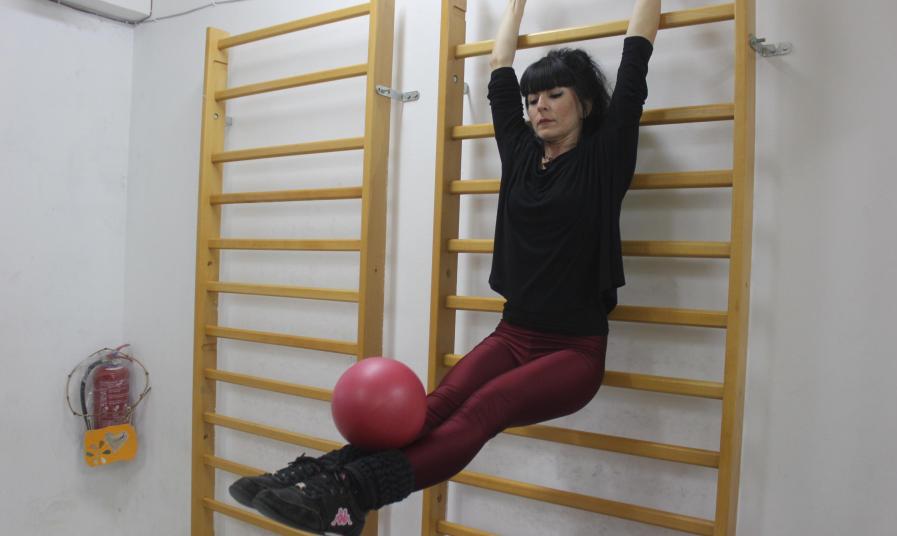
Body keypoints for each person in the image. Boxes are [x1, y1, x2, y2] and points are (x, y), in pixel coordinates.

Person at [229, 1, 660, 534]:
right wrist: (516, 6)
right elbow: (499, 68)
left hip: (573, 351)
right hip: (514, 333)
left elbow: (636, 54)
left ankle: (353, 494)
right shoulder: (520, 154)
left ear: (586, 104)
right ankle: (320, 478)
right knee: (433, 407)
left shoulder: (606, 156)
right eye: (532, 100)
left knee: (486, 407)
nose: (539, 107)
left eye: (554, 95)